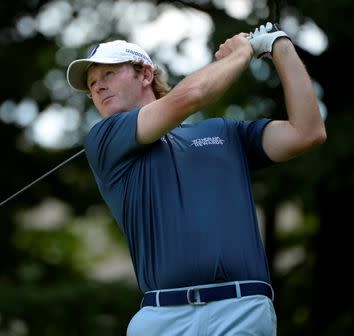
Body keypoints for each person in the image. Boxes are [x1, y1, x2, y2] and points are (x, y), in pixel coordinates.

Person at [66, 22, 326, 336]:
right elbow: (192, 95)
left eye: (108, 74)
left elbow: (307, 132)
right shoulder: (105, 139)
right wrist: (241, 54)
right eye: (92, 83)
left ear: (146, 74)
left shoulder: (223, 132)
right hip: (161, 317)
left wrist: (280, 46)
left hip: (240, 310)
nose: (98, 87)